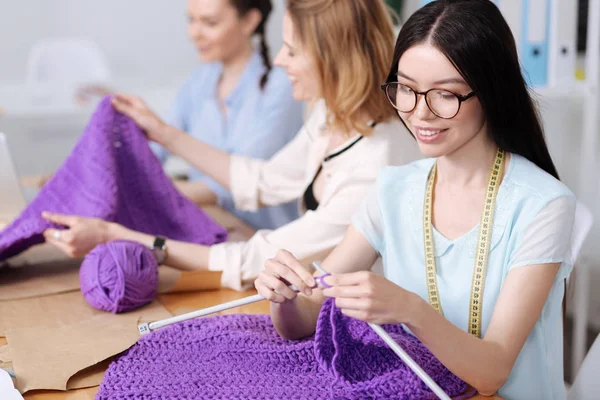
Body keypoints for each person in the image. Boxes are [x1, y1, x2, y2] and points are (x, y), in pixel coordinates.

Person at [255, 1, 576, 399]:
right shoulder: (393, 190)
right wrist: (283, 296)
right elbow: (305, 319)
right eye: (406, 89)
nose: (419, 113)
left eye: (444, 94)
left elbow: (492, 373)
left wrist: (408, 309)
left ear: (492, 90)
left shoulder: (544, 205)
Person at [41, 0, 421, 291]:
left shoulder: (376, 165)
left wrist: (114, 234)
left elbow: (253, 258)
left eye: (292, 49)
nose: (280, 59)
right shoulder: (332, 114)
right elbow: (264, 179)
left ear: (334, 59)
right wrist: (160, 130)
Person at [82, 0, 304, 231]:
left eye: (210, 22)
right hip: (212, 223)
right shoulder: (199, 81)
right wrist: (99, 172)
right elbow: (154, 149)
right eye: (191, 20)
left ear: (249, 21)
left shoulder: (282, 87)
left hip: (267, 238)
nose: (193, 34)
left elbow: (239, 183)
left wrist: (135, 191)